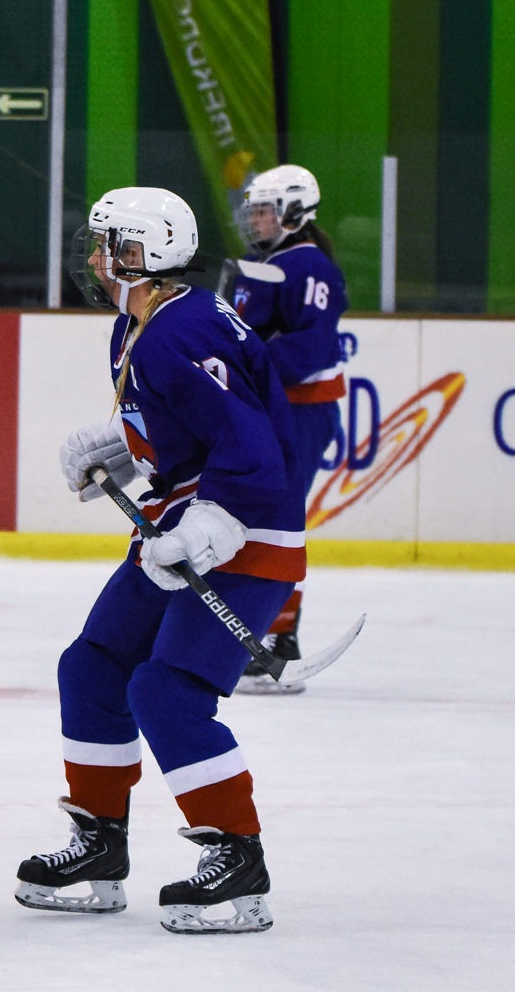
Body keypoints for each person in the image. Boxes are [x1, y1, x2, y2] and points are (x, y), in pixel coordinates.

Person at [15, 187, 305, 934]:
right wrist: (123, 447)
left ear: (142, 253)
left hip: (249, 534)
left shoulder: (183, 331)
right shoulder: (137, 326)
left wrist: (211, 518)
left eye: (108, 243)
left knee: (166, 692)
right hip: (184, 524)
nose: (94, 257)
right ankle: (98, 842)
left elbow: (253, 448)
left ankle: (237, 854)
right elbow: (186, 430)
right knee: (92, 665)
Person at [224, 164, 347, 694]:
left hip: (299, 412)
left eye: (265, 209)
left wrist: (244, 365)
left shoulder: (310, 266)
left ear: (295, 212)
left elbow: (307, 349)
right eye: (252, 209)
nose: (255, 218)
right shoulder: (260, 262)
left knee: (280, 518)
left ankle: (279, 639)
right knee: (251, 515)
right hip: (267, 409)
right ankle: (257, 630)